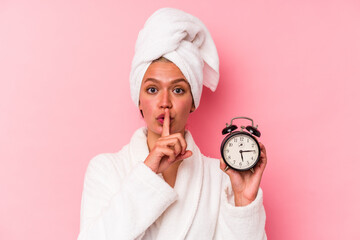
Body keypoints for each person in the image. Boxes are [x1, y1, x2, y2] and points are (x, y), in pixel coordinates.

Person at [77, 7, 267, 240]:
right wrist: (147, 173)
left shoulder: (220, 178)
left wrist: (243, 202)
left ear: (193, 102)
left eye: (178, 90)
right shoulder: (106, 169)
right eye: (152, 89)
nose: (164, 103)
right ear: (139, 100)